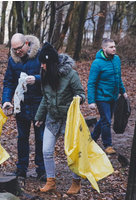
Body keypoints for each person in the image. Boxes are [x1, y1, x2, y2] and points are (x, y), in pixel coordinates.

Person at [34, 42, 86, 194]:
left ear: (51, 63)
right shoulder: (46, 74)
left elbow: (81, 93)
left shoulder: (70, 74)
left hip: (69, 119)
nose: (42, 66)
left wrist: (79, 98)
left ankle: (76, 182)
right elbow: (45, 98)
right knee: (46, 151)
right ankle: (51, 182)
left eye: (44, 63)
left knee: (71, 152)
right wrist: (39, 116)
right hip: (52, 119)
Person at [2, 33, 46, 180]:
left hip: (40, 104)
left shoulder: (40, 56)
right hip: (21, 105)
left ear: (27, 43)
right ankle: (21, 169)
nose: (17, 52)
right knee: (22, 137)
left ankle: (42, 169)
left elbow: (52, 76)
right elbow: (9, 82)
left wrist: (37, 79)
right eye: (14, 49)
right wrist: (6, 100)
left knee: (40, 137)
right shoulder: (13, 61)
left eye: (19, 48)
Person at [87, 39, 127, 155]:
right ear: (104, 49)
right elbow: (91, 83)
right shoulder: (97, 63)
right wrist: (91, 101)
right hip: (102, 97)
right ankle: (107, 145)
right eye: (111, 47)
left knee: (105, 119)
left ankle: (92, 138)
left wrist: (123, 91)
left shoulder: (117, 60)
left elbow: (118, 78)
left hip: (113, 96)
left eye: (114, 46)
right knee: (107, 121)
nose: (114, 49)